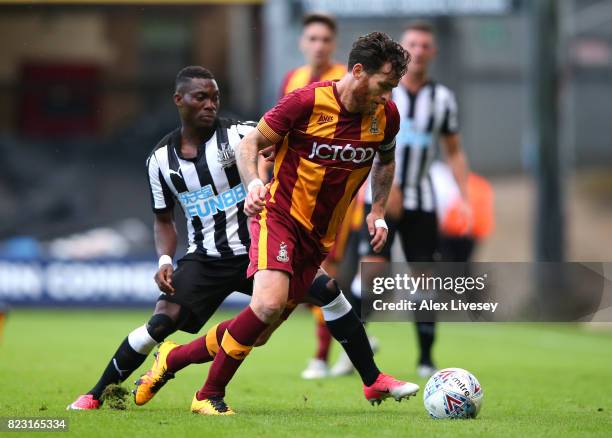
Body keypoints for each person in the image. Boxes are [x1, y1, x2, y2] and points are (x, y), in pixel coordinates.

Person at [66, 66, 348, 410]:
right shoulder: (159, 161)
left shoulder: (241, 134)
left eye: (215, 97)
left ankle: (371, 378)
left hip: (258, 249)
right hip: (205, 258)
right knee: (160, 323)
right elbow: (163, 219)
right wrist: (165, 260)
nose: (210, 104)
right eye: (201, 97)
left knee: (327, 291)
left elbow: (281, 144)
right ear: (178, 100)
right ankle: (94, 395)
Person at [174, 32, 418, 416]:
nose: (388, 95)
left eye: (393, 87)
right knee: (270, 305)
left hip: (321, 236)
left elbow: (385, 160)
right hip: (281, 216)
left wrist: (378, 211)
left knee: (262, 328)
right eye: (384, 84)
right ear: (358, 71)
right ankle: (208, 395)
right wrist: (255, 182)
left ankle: (170, 361)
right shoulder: (306, 101)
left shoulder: (385, 116)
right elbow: (249, 145)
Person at [340, 21, 472, 379]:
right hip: (380, 193)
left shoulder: (442, 99)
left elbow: (454, 151)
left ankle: (427, 358)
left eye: (425, 45)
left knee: (424, 278)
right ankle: (352, 349)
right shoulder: (382, 91)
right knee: (372, 271)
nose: (419, 49)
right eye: (412, 43)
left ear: (433, 52)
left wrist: (465, 196)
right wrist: (386, 191)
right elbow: (371, 145)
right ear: (404, 48)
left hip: (423, 199)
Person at [277, 12, 355, 380]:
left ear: (334, 44)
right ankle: (356, 340)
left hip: (334, 201)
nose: (319, 45)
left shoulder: (347, 79)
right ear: (302, 42)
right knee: (303, 277)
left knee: (324, 275)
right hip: (296, 197)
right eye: (313, 38)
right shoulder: (292, 80)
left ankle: (321, 357)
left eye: (325, 39)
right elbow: (280, 131)